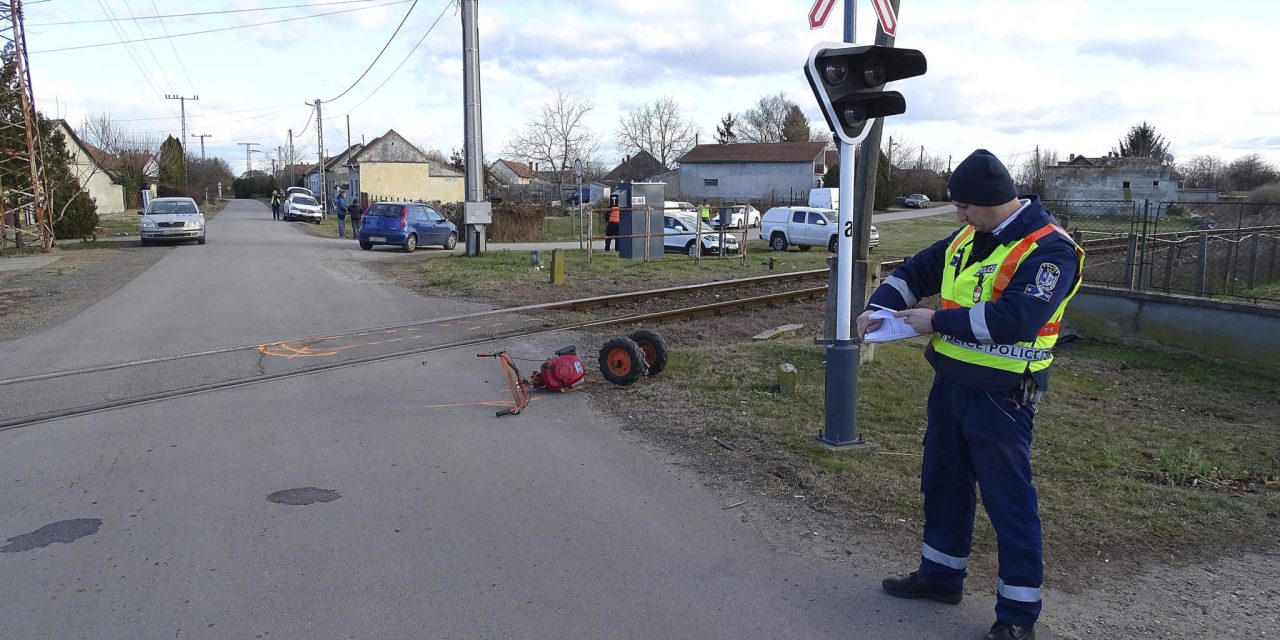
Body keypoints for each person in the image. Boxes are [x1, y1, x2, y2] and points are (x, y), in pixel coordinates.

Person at [858, 149, 1085, 640]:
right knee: (943, 483)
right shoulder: (970, 236)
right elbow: (916, 271)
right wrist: (880, 308)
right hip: (951, 384)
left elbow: (1015, 319)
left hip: (1003, 396)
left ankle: (1017, 615)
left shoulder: (1050, 249)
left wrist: (935, 321)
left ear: (992, 199)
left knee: (1009, 503)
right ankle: (940, 576)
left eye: (964, 206)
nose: (958, 215)